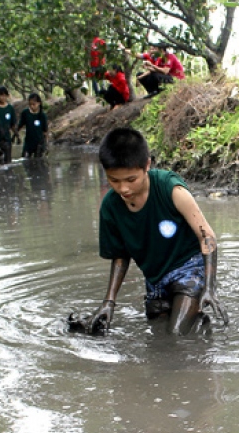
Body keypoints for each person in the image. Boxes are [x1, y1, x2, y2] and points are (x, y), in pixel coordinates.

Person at [87, 127, 229, 335]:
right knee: (158, 336)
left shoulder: (170, 189)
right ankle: (200, 324)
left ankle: (197, 314)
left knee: (176, 336)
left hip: (189, 267)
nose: (123, 189)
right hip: (155, 279)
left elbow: (206, 236)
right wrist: (109, 302)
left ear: (147, 165)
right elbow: (120, 255)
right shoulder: (110, 206)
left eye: (131, 180)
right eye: (114, 181)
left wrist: (209, 288)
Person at [16, 92, 48, 158]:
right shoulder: (25, 113)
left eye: (34, 104)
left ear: (39, 103)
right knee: (25, 160)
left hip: (39, 143)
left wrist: (46, 145)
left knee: (38, 162)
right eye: (30, 104)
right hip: (28, 143)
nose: (31, 106)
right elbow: (20, 126)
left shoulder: (42, 116)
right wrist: (16, 136)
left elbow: (45, 132)